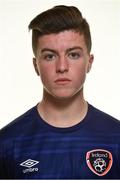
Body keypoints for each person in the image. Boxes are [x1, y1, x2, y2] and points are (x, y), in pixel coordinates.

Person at [0, 5, 120, 179]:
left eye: (73, 55)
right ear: (36, 66)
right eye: (50, 56)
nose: (62, 67)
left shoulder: (116, 137)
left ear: (90, 62)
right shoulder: (7, 144)